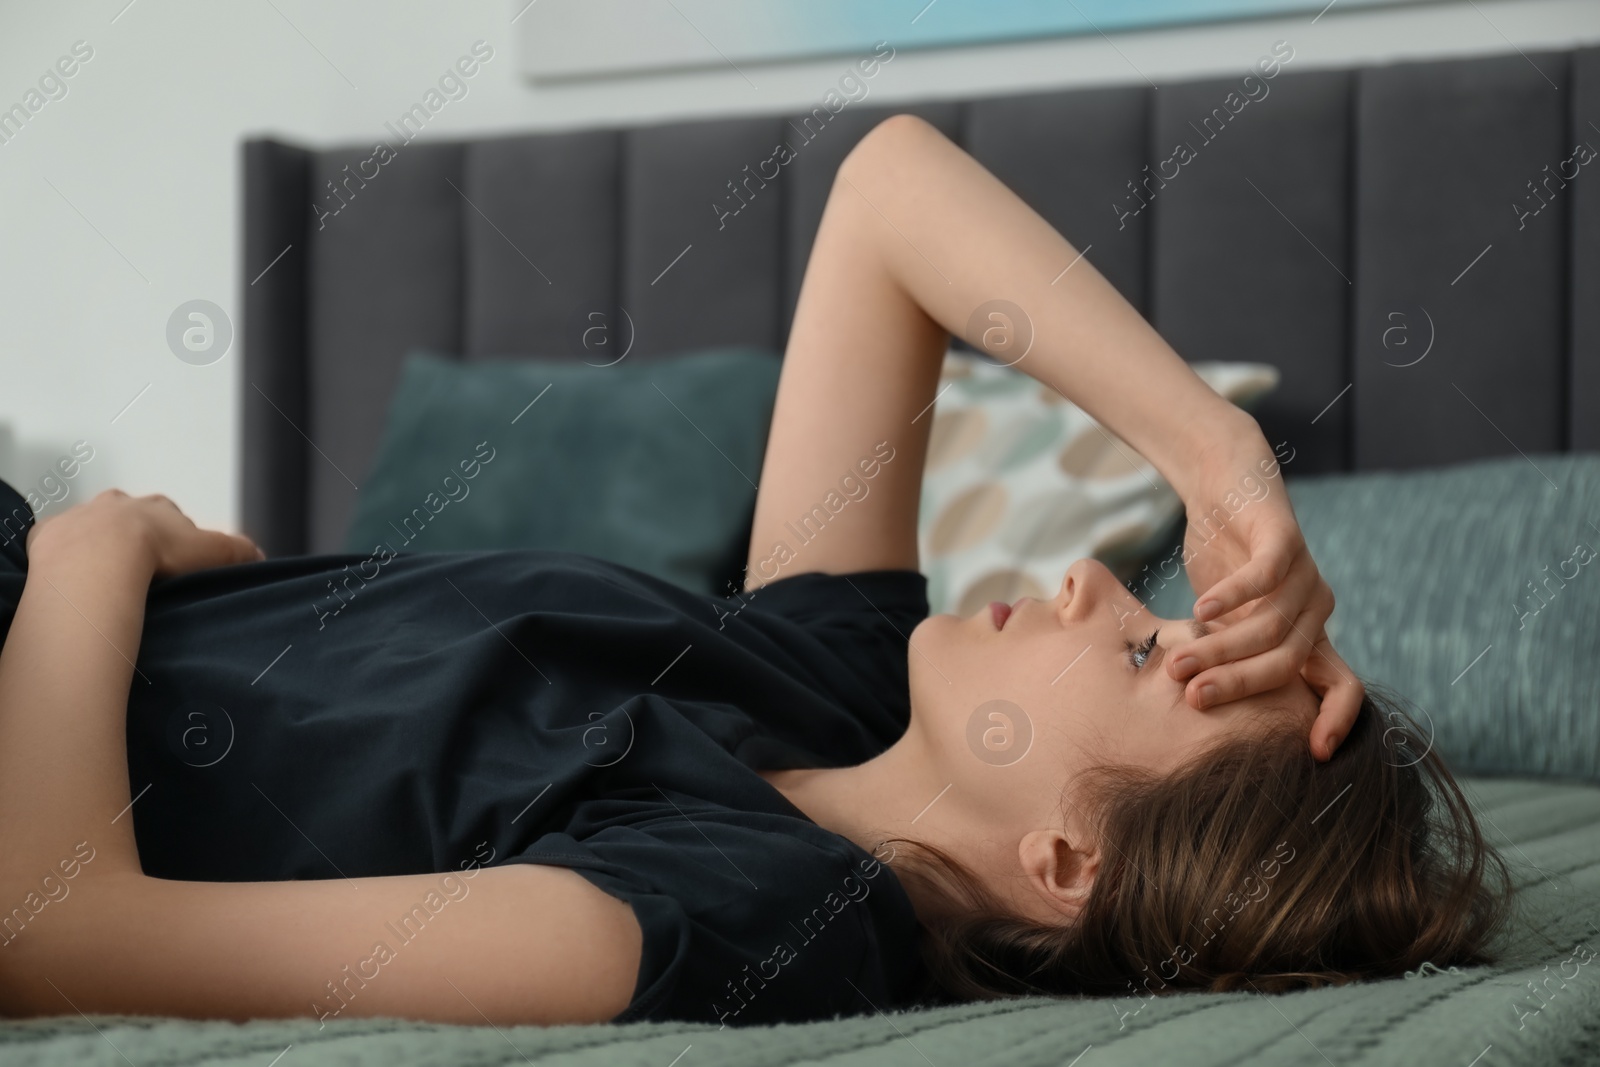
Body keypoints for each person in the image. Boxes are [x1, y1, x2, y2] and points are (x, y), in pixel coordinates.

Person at [0, 114, 1508, 1029]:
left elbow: (57, 939)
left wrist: (96, 557)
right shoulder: (845, 685)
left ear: (1065, 865)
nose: (1092, 586)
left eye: (1135, 655)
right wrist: (1215, 455)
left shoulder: (740, 918)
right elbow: (885, 193)